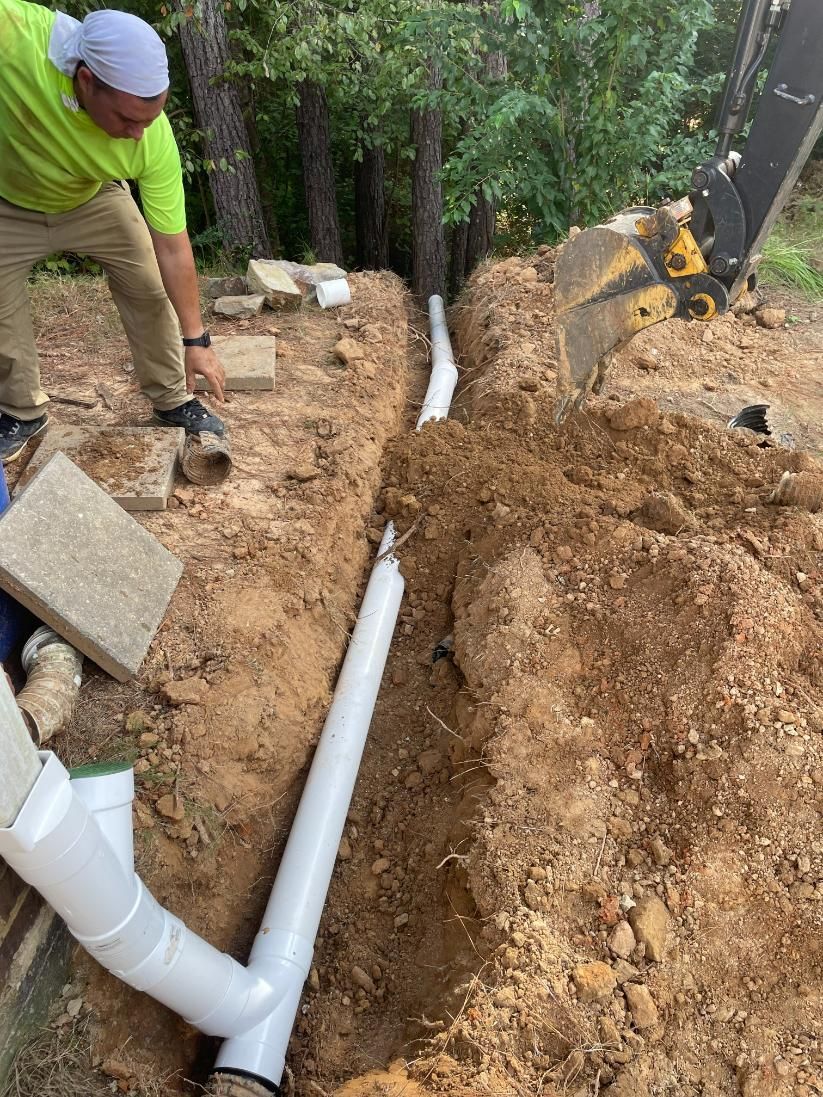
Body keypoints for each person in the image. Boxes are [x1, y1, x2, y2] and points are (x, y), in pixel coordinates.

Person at [0, 0, 227, 463]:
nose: (139, 133)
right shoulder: (16, 38)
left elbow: (173, 247)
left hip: (92, 198)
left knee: (146, 282)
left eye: (149, 120)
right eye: (128, 120)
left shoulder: (153, 141)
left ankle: (172, 398)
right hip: (10, 203)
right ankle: (21, 411)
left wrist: (197, 339)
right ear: (86, 81)